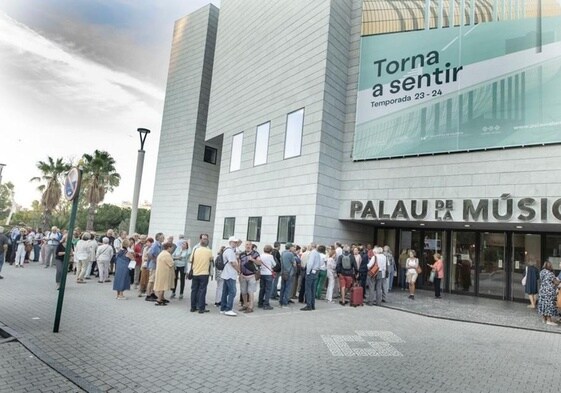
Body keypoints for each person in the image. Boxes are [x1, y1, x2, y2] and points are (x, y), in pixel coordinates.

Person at [189, 235, 213, 313]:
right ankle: (201, 308)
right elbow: (211, 260)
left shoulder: (195, 249)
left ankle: (193, 307)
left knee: (194, 290)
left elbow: (190, 260)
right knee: (202, 291)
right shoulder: (209, 251)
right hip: (204, 273)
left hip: (195, 272)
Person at [238, 241, 261, 313]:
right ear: (245, 245)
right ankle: (245, 305)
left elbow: (260, 263)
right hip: (243, 275)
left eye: (249, 245)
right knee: (243, 291)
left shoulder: (255, 254)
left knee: (250, 291)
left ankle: (250, 306)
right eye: (247, 244)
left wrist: (253, 260)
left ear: (252, 246)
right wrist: (239, 273)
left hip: (252, 275)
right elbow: (239, 264)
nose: (248, 246)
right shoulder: (241, 254)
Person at [220, 236, 240, 316]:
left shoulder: (229, 250)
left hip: (227, 273)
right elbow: (233, 263)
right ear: (230, 242)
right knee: (232, 291)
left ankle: (223, 308)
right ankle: (228, 308)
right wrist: (238, 270)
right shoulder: (230, 251)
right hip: (230, 274)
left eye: (236, 242)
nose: (235, 243)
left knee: (225, 291)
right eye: (234, 242)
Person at [537, 261, 560, 326]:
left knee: (543, 304)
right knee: (549, 305)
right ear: (550, 266)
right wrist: (558, 280)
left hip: (542, 290)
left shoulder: (541, 272)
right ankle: (549, 320)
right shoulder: (551, 274)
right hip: (549, 292)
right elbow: (556, 282)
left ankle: (544, 319)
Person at [302, 243, 321, 311]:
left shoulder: (312, 253)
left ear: (312, 246)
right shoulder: (317, 253)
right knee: (313, 289)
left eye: (309, 246)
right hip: (316, 271)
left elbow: (310, 263)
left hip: (311, 272)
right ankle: (312, 304)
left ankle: (309, 305)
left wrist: (307, 272)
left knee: (308, 289)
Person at [145, 233, 164, 301]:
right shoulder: (155, 245)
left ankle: (152, 293)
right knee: (151, 280)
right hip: (153, 265)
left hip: (157, 265)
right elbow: (149, 254)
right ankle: (148, 295)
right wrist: (156, 260)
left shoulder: (160, 245)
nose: (163, 238)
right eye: (162, 237)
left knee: (154, 280)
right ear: (158, 238)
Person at [257, 244, 275, 310]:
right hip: (268, 274)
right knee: (268, 289)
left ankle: (260, 303)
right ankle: (266, 304)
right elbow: (274, 264)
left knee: (262, 289)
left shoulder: (260, 255)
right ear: (270, 250)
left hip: (262, 273)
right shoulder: (270, 256)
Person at [279, 243, 296, 308]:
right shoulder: (291, 254)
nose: (294, 248)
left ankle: (281, 301)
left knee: (282, 287)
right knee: (287, 288)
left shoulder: (283, 253)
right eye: (293, 247)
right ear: (290, 247)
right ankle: (285, 303)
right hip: (289, 273)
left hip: (283, 272)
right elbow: (294, 264)